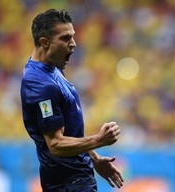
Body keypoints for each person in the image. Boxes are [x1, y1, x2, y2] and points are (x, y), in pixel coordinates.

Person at [20, 9, 124, 192]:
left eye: (73, 37)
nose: (74, 44)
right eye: (66, 38)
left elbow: (69, 132)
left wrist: (95, 158)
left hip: (75, 180)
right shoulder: (41, 85)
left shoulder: (52, 68)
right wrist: (98, 140)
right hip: (67, 184)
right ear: (44, 42)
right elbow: (56, 145)